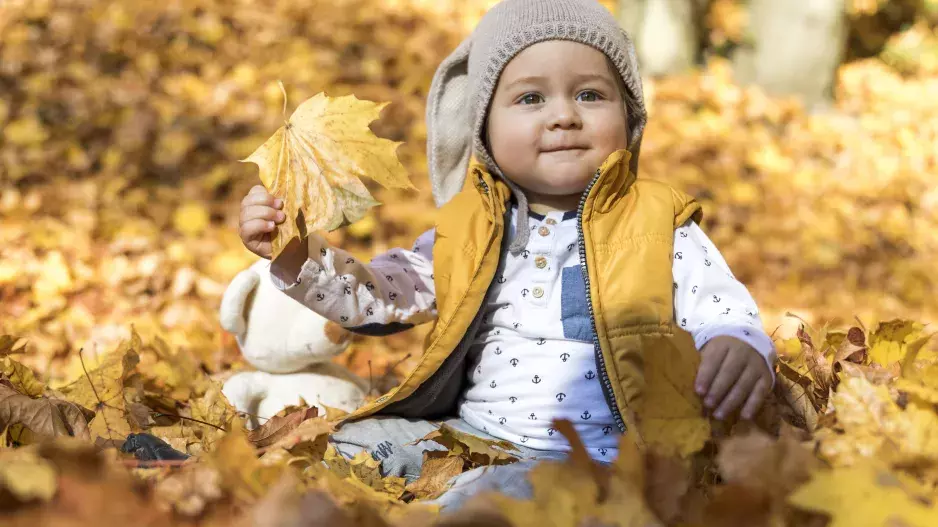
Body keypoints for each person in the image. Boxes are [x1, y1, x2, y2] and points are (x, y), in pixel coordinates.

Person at [237, 0, 776, 511]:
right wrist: (294, 257)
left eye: (590, 95)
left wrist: (736, 342)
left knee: (505, 494)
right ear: (485, 131)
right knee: (352, 444)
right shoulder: (469, 225)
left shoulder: (659, 220)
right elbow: (384, 295)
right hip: (471, 438)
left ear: (630, 119)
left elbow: (721, 306)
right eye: (530, 98)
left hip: (601, 458)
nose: (564, 115)